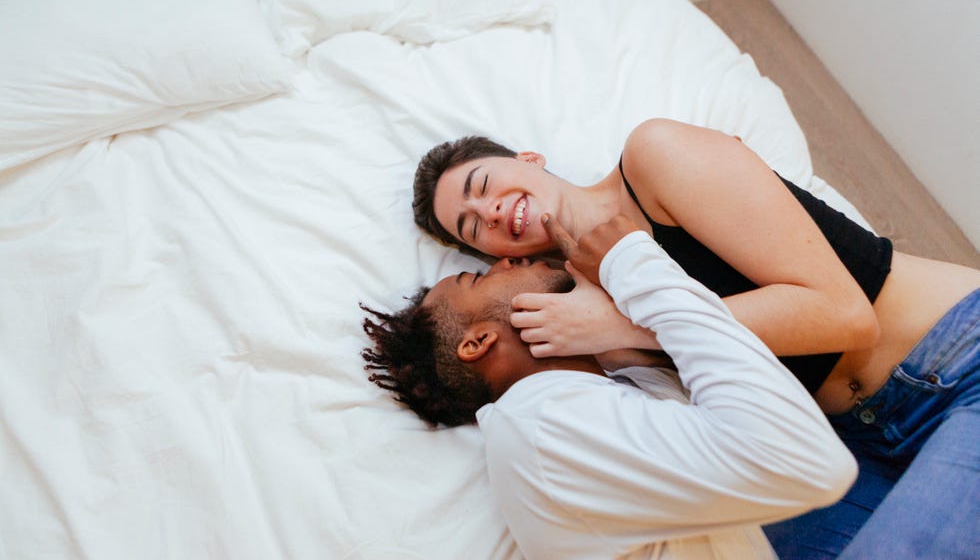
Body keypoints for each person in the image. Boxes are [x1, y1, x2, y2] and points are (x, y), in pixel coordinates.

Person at [412, 119, 980, 560]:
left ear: (528, 160)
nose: (488, 210)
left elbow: (846, 315)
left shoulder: (654, 158)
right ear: (497, 256)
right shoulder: (567, 314)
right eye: (471, 226)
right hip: (845, 436)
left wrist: (622, 326)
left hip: (953, 360)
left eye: (482, 185)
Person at [362, 215, 857, 560]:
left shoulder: (590, 394)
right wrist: (632, 264)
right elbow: (811, 462)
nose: (504, 261)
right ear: (479, 342)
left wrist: (613, 313)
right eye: (477, 277)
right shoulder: (545, 427)